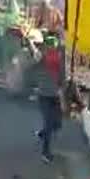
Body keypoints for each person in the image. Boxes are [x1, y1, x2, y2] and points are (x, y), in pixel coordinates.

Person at [30, 35, 66, 163]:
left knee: (57, 124)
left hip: (55, 96)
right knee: (50, 123)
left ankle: (42, 133)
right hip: (44, 96)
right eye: (49, 47)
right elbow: (32, 67)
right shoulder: (41, 59)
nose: (52, 50)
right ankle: (45, 153)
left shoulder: (59, 61)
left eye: (53, 47)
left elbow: (63, 79)